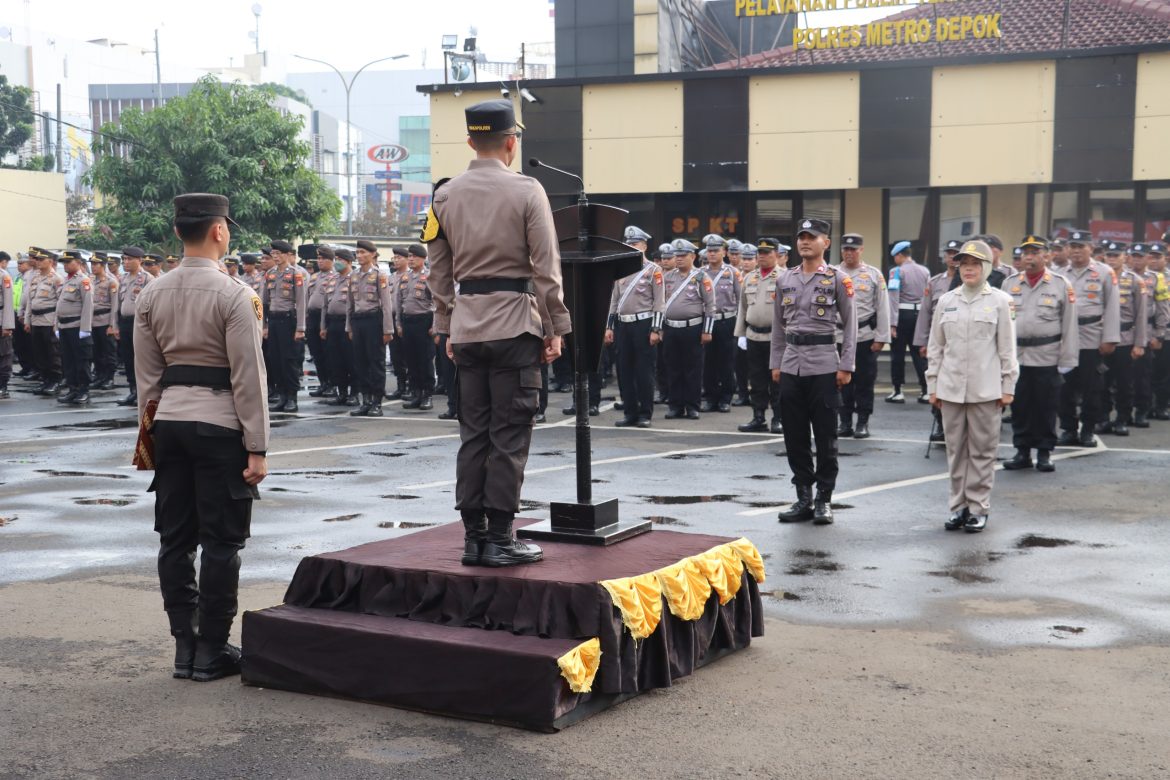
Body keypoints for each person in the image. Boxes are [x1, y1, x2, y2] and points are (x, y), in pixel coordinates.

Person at [424, 98, 571, 568]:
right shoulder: (529, 190)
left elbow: (437, 271)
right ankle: (501, 539)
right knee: (509, 435)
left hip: (467, 327)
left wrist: (446, 325)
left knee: (474, 435)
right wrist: (556, 327)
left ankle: (473, 538)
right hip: (514, 323)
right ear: (511, 143)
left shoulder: (443, 196)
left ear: (471, 141)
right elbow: (547, 270)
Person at [133, 193, 268, 682]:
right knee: (221, 542)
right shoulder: (237, 294)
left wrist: (149, 437)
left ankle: (184, 647)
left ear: (177, 233)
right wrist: (257, 445)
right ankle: (212, 648)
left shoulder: (151, 293)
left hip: (168, 424)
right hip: (218, 427)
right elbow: (248, 376)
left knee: (175, 539)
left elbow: (147, 378)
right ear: (218, 231)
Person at [926, 239, 1019, 533]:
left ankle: (978, 508)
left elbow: (1007, 349)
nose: (968, 269)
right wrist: (932, 385)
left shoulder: (1001, 302)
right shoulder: (946, 301)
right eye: (964, 264)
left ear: (986, 267)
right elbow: (936, 348)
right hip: (950, 388)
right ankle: (958, 507)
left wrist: (1008, 386)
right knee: (955, 452)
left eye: (974, 264)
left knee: (981, 452)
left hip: (986, 389)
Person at [773, 218, 856, 525]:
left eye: (812, 237)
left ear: (826, 243)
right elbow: (778, 328)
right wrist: (775, 363)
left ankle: (824, 498)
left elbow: (851, 326)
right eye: (801, 237)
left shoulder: (837, 279)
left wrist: (846, 364)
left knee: (825, 436)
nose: (805, 242)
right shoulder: (786, 279)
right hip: (792, 363)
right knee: (794, 436)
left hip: (824, 365)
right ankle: (803, 498)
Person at [1002, 236, 1079, 472]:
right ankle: (1022, 450)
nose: (1029, 257)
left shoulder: (1060, 284)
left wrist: (1067, 359)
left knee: (1046, 406)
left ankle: (1045, 452)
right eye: (1025, 252)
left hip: (1047, 355)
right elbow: (1002, 325)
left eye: (1034, 252)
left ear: (1046, 256)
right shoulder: (1009, 284)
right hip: (1017, 357)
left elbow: (1069, 324)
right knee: (1020, 406)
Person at [1057, 230, 1121, 446]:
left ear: (1091, 248)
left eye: (1081, 246)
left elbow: (1112, 307)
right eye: (1072, 246)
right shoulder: (1058, 273)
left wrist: (1110, 338)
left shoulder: (1104, 272)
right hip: (1065, 338)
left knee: (1092, 387)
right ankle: (1068, 429)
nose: (1076, 250)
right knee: (1064, 386)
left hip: (1092, 337)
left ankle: (1088, 429)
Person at [605, 225, 664, 428]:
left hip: (643, 324)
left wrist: (656, 329)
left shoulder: (654, 270)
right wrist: (609, 326)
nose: (631, 247)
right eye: (628, 244)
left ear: (644, 246)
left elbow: (659, 302)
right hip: (623, 325)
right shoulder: (619, 269)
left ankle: (645, 413)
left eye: (635, 244)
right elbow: (614, 301)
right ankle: (630, 412)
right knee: (624, 370)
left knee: (644, 371)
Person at [836, 233, 890, 439]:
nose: (849, 253)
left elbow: (882, 307)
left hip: (864, 336)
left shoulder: (874, 275)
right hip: (838, 336)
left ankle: (863, 422)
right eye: (846, 249)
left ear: (861, 250)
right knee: (840, 382)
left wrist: (881, 337)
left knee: (864, 382)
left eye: (853, 249)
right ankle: (845, 422)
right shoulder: (832, 273)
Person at [1097, 241, 1147, 436]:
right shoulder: (1099, 278)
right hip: (1102, 339)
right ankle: (1103, 418)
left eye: (1116, 255)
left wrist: (1139, 343)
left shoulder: (1135, 280)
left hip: (1125, 338)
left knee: (1125, 383)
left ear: (1124, 257)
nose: (1112, 259)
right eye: (1109, 255)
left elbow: (1141, 315)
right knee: (1102, 382)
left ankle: (1122, 419)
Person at [662, 238, 715, 420]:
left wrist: (707, 331)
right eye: (677, 255)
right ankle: (675, 405)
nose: (678, 259)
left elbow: (710, 305)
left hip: (693, 328)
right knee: (673, 368)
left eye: (683, 255)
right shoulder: (668, 276)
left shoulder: (701, 277)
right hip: (671, 329)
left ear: (692, 256)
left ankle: (692, 406)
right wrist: (659, 327)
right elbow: (661, 303)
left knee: (693, 370)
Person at [735, 238, 784, 434]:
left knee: (777, 381)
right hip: (754, 336)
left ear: (776, 255)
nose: (762, 257)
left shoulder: (785, 277)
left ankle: (778, 418)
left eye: (767, 253)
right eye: (760, 253)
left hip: (775, 338)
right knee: (756, 380)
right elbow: (742, 307)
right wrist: (740, 334)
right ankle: (758, 416)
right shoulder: (749, 278)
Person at [916, 240, 962, 442]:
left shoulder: (967, 280)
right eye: (949, 253)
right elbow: (925, 313)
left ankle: (958, 427)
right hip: (938, 339)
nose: (951, 257)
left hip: (959, 340)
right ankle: (940, 425)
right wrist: (922, 341)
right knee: (937, 385)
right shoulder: (935, 282)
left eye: (955, 254)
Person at [346, 240, 395, 417]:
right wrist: (349, 326)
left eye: (363, 253)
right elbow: (349, 304)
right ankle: (365, 400)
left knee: (376, 363)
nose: (359, 256)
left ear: (373, 254)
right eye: (357, 253)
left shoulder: (380, 275)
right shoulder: (354, 275)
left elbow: (387, 304)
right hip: (358, 322)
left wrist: (388, 330)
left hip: (374, 321)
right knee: (360, 363)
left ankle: (376, 402)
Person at [260, 240, 307, 413]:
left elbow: (301, 302)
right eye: (274, 254)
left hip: (289, 321)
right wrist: (264, 325)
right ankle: (282, 396)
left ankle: (292, 397)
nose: (276, 257)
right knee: (275, 360)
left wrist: (300, 328)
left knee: (289, 360)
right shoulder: (270, 274)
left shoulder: (296, 274)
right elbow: (263, 302)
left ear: (288, 255)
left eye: (279, 254)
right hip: (273, 321)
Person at [1127, 243, 1167, 428]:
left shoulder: (1157, 278)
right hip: (1125, 332)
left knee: (1145, 375)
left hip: (1148, 331)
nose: (1137, 259)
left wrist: (1159, 334)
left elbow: (1162, 308)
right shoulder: (1121, 276)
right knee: (1123, 376)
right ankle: (1123, 412)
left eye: (1140, 256)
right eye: (1133, 256)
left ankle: (1143, 410)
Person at [700, 234, 741, 413]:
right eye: (709, 251)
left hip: (727, 322)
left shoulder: (733, 273)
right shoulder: (700, 273)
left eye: (716, 251)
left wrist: (740, 328)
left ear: (724, 252)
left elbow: (741, 300)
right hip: (706, 323)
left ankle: (726, 398)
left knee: (726, 362)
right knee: (707, 362)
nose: (712, 254)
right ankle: (710, 398)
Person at [886, 240, 930, 403]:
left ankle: (898, 391)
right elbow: (928, 297)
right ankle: (926, 390)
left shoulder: (896, 272)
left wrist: (892, 323)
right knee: (919, 353)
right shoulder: (925, 271)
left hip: (902, 315)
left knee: (897, 355)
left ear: (899, 255)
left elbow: (893, 298)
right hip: (919, 315)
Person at [397, 244, 436, 410]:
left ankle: (427, 395)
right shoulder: (405, 277)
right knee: (411, 360)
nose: (411, 259)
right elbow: (399, 302)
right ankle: (416, 393)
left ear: (423, 258)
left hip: (424, 321)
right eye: (410, 256)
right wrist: (399, 323)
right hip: (408, 322)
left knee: (425, 360)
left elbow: (435, 302)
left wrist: (434, 325)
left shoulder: (429, 277)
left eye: (415, 256)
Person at [22, 248, 64, 396]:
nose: (38, 262)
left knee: (52, 352)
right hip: (36, 320)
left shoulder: (57, 279)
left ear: (50, 262)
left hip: (49, 320)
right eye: (37, 260)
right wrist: (27, 320)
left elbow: (60, 303)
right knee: (39, 353)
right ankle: (45, 380)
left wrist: (56, 323)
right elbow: (30, 302)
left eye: (41, 260)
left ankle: (55, 381)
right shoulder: (36, 278)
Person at [55, 250, 94, 406]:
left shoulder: (83, 281)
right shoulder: (66, 280)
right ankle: (72, 389)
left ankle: (83, 390)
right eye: (64, 262)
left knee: (81, 360)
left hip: (77, 327)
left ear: (79, 263)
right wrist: (57, 326)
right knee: (68, 360)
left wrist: (85, 328)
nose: (65, 265)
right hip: (64, 326)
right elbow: (59, 305)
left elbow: (88, 305)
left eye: (68, 262)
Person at [116, 247, 152, 406]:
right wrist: (115, 325)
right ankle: (132, 391)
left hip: (139, 322)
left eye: (129, 259)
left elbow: (152, 304)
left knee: (141, 359)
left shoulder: (147, 279)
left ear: (140, 260)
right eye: (124, 259)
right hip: (124, 322)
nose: (126, 262)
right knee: (128, 358)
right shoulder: (123, 279)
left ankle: (143, 392)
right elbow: (118, 303)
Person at [305, 245, 336, 399]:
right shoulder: (315, 277)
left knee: (329, 353)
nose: (320, 261)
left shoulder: (335, 277)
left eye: (323, 258)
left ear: (331, 260)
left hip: (327, 319)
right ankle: (323, 383)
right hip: (313, 317)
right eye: (319, 258)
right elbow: (307, 298)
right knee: (316, 352)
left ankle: (332, 384)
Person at [88, 254, 119, 391]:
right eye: (92, 264)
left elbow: (115, 305)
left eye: (96, 264)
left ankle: (109, 378)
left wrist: (112, 325)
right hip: (92, 321)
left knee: (108, 352)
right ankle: (99, 376)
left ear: (103, 265)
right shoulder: (91, 280)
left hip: (105, 321)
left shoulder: (111, 281)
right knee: (96, 351)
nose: (93, 266)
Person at [0, 252, 13, 399]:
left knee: (4, 354)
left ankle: (3, 385)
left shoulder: (4, 276)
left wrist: (7, 325)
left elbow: (8, 302)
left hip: (1, 320)